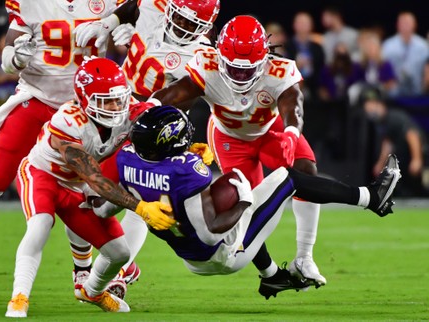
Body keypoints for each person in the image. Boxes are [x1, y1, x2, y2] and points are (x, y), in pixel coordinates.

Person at [89, 105, 401, 300]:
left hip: (190, 257)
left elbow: (106, 207)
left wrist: (124, 206)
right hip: (221, 254)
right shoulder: (186, 170)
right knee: (285, 179)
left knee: (246, 197)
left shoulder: (126, 160)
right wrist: (243, 204)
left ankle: (272, 278)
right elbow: (212, 232)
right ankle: (371, 197)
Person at [149, 15, 328, 288]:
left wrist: (291, 134)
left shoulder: (278, 70)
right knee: (248, 208)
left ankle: (304, 256)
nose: (240, 76)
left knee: (307, 172)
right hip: (230, 138)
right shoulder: (206, 66)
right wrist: (144, 110)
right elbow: (175, 93)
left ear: (263, 59)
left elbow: (294, 105)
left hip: (270, 131)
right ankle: (270, 275)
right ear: (220, 57)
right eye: (233, 69)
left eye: (247, 71)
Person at [0, 0, 142, 296]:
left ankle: (84, 271)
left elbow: (139, 8)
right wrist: (14, 59)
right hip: (37, 99)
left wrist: (125, 28)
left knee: (87, 191)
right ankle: (88, 271)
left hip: (89, 111)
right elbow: (9, 50)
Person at [5, 57, 175, 318]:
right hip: (44, 176)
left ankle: (91, 291)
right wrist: (140, 207)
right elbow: (95, 179)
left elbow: (163, 119)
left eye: (119, 98)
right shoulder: (68, 121)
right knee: (40, 225)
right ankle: (19, 297)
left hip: (76, 186)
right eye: (105, 100)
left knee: (119, 253)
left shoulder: (130, 110)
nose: (115, 105)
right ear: (84, 100)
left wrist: (184, 149)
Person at [71, 0, 221, 295]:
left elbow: (185, 95)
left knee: (136, 200)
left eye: (195, 24)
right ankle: (88, 269)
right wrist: (110, 24)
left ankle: (118, 270)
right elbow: (132, 7)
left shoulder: (203, 55)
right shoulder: (155, 7)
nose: (185, 27)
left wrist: (149, 106)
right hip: (112, 108)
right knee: (83, 193)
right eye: (181, 18)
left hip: (153, 129)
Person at [358, 85, 427, 197]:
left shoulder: (394, 117)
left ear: (380, 104)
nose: (369, 109)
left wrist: (417, 159)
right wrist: (380, 164)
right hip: (405, 165)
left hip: (422, 161)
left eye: (372, 105)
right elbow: (388, 145)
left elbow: (412, 134)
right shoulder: (382, 124)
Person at [382, 11, 429, 97]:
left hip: (418, 93)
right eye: (403, 23)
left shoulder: (423, 46)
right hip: (393, 94)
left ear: (415, 25)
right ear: (397, 25)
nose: (405, 26)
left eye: (408, 23)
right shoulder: (388, 46)